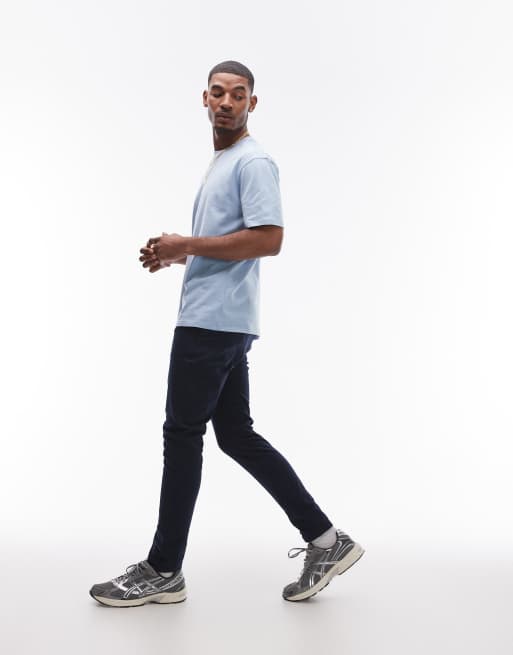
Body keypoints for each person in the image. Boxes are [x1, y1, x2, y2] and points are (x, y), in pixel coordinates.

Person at [89, 60, 364, 607]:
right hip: (223, 321)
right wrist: (176, 256)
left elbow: (268, 239)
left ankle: (163, 569)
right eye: (218, 93)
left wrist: (187, 245)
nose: (227, 102)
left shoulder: (253, 161)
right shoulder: (225, 161)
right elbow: (233, 242)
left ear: (252, 104)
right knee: (235, 434)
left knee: (182, 435)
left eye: (238, 95)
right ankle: (326, 540)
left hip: (212, 325)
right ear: (204, 98)